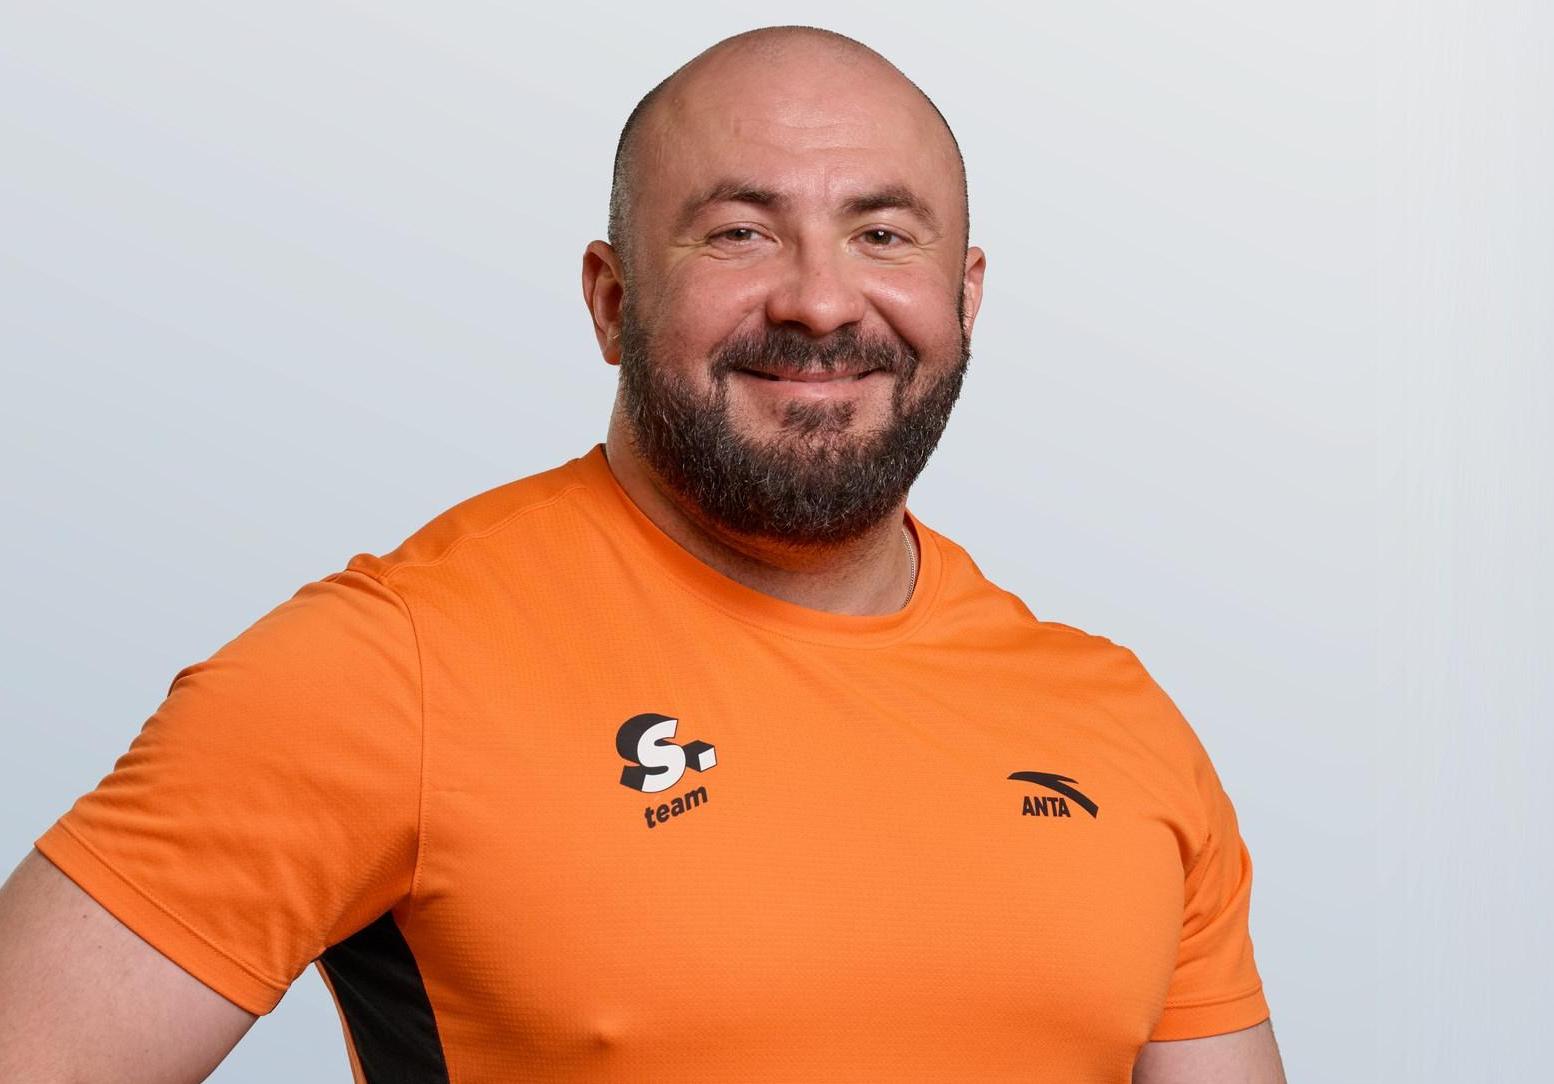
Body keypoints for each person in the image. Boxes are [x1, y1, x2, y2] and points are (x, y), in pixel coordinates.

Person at [0, 24, 1287, 1083]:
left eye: (884, 234)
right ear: (613, 302)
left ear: (966, 294)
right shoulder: (393, 665)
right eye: (739, 232)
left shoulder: (1118, 722)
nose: (820, 300)